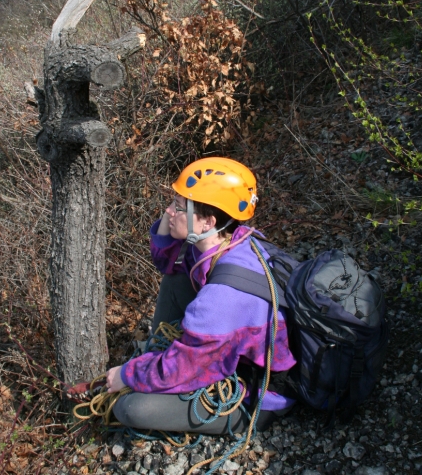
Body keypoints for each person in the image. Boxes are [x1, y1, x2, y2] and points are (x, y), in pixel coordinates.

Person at [105, 157, 296, 434]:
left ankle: (255, 418)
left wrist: (127, 375)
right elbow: (165, 262)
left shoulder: (221, 298)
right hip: (231, 350)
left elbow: (183, 369)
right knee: (176, 278)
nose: (168, 211)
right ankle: (157, 355)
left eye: (179, 207)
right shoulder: (231, 239)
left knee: (131, 409)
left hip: (260, 394)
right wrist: (175, 213)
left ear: (208, 221)